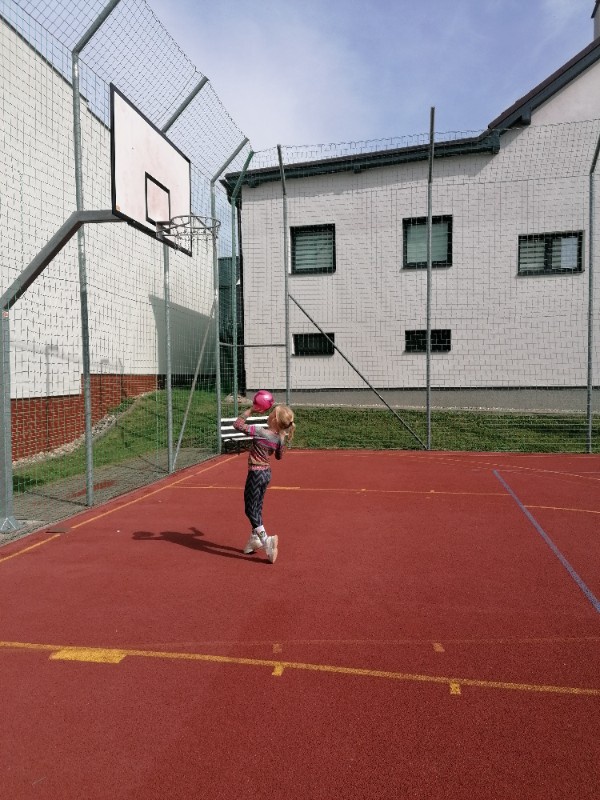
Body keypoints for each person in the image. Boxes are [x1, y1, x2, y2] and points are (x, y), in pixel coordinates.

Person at [233, 401, 295, 563]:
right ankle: (255, 538)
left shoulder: (260, 431)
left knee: (249, 509)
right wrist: (281, 437)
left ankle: (266, 541)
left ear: (274, 419)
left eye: (272, 413)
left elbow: (238, 425)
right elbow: (279, 457)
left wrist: (251, 410)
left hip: (256, 473)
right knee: (257, 507)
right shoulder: (279, 437)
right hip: (267, 474)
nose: (269, 414)